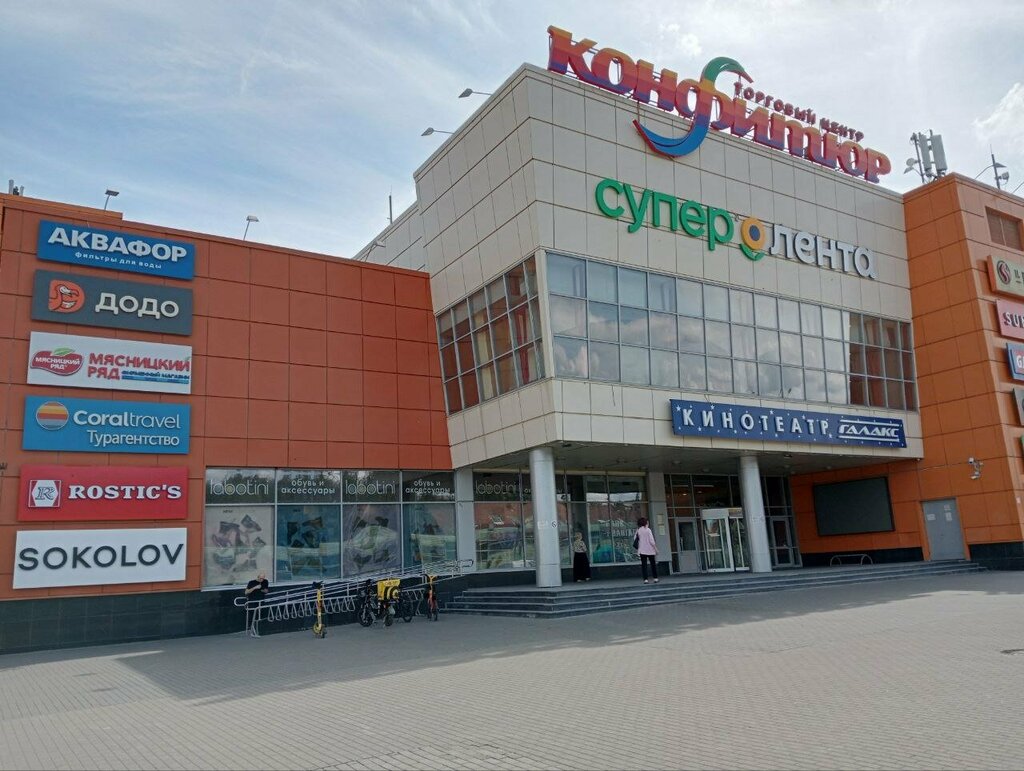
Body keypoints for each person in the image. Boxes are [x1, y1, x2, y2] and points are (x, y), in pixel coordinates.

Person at [634, 517, 659, 584]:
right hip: (650, 550)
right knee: (653, 564)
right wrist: (656, 549)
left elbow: (635, 539)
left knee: (644, 565)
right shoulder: (648, 530)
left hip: (642, 550)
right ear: (645, 522)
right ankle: (655, 578)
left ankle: (645, 579)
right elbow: (651, 541)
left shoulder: (638, 530)